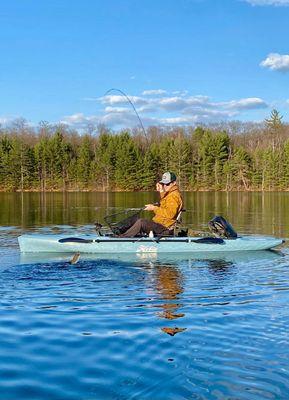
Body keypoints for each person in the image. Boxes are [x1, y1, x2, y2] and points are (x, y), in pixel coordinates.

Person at [120, 171, 183, 237]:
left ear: (174, 183)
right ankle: (124, 235)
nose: (165, 186)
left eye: (167, 184)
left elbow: (170, 214)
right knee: (136, 220)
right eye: (163, 184)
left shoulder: (174, 196)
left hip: (165, 229)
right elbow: (164, 205)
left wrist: (154, 208)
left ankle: (122, 238)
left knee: (142, 222)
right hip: (160, 225)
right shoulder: (170, 194)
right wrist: (161, 191)